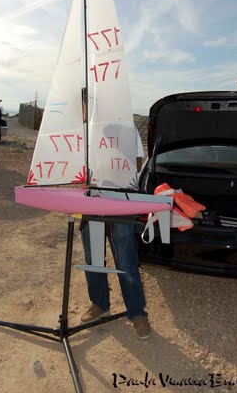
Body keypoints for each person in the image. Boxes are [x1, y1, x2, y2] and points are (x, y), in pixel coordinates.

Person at [80, 128, 151, 339]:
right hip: (93, 201)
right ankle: (99, 303)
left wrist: (113, 165)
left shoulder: (128, 129)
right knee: (93, 258)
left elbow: (137, 165)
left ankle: (137, 313)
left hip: (122, 201)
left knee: (126, 261)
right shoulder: (89, 128)